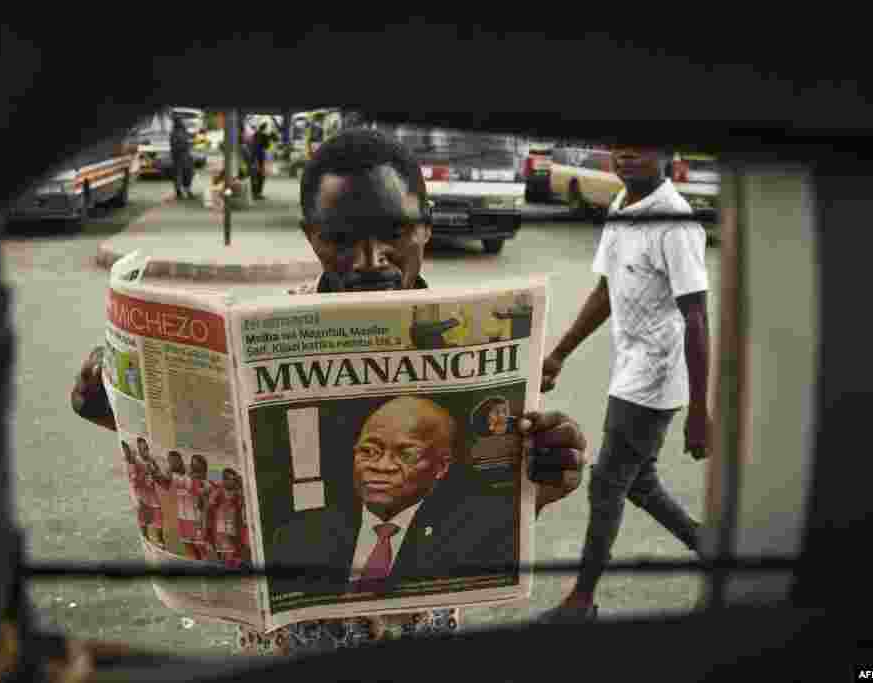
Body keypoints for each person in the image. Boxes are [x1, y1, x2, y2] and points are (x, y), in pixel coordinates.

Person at [71, 128, 589, 656]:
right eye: (341, 239)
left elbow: (482, 511)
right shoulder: (255, 337)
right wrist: (114, 405)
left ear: (427, 226)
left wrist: (544, 479)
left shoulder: (472, 342)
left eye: (395, 232)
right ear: (310, 235)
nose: (370, 259)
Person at [536, 143, 712, 624]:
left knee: (607, 486)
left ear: (669, 158)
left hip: (655, 376)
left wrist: (699, 411)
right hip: (630, 366)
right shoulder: (621, 206)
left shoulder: (675, 223)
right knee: (640, 483)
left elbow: (696, 317)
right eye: (619, 146)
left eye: (641, 147)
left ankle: (581, 601)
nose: (626, 155)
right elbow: (607, 289)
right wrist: (558, 354)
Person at [270, 396, 514, 597]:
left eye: (405, 454)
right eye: (369, 451)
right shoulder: (297, 537)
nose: (381, 466)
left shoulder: (476, 533)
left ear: (441, 467)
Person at [250, 122, 277, 200]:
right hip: (260, 159)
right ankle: (258, 193)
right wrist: (272, 132)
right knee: (260, 177)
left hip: (255, 159)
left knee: (255, 177)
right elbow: (272, 141)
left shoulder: (256, 135)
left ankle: (255, 193)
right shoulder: (264, 136)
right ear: (265, 128)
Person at [170, 114, 195, 200]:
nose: (182, 122)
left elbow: (186, 141)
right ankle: (180, 192)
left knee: (188, 173)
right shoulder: (175, 133)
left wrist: (188, 144)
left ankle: (185, 191)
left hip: (185, 155)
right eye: (181, 120)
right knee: (180, 174)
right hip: (179, 156)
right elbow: (175, 146)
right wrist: (185, 145)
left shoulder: (182, 131)